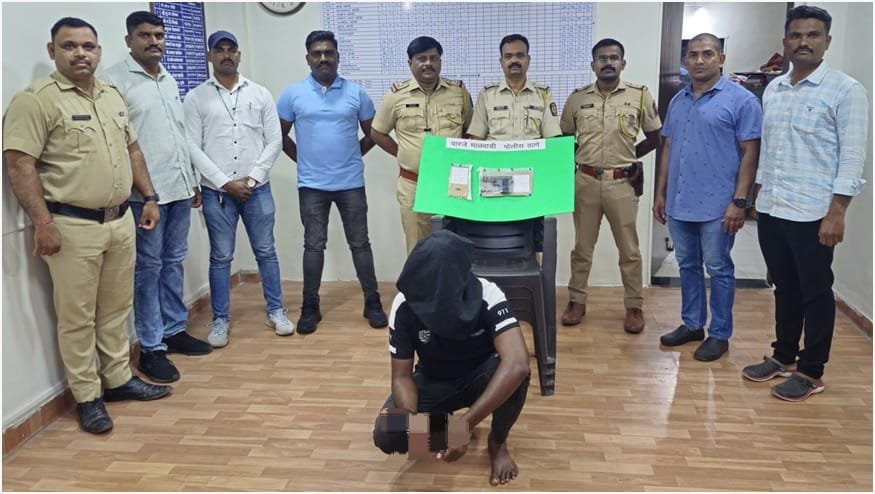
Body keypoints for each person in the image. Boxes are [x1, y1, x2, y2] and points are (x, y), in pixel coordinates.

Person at [3, 17, 172, 435]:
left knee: (115, 309)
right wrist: (42, 222)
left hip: (120, 220)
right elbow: (19, 164)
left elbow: (133, 150)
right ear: (52, 51)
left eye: (88, 46)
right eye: (70, 46)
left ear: (99, 51)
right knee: (77, 317)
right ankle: (87, 396)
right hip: (71, 226)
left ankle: (118, 379)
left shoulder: (111, 96)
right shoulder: (36, 101)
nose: (80, 53)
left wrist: (149, 197)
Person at [742, 6, 868, 401]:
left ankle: (811, 371)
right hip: (774, 207)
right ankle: (783, 355)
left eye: (813, 35)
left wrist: (838, 211)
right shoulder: (775, 89)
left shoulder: (846, 90)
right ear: (785, 41)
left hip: (814, 212)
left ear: (827, 41)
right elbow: (770, 150)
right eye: (796, 35)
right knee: (784, 287)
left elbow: (852, 157)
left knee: (815, 291)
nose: (803, 42)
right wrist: (757, 196)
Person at [372, 231, 530, 486]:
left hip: (481, 378)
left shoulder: (488, 294)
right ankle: (446, 428)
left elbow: (517, 363)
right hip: (434, 379)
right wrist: (412, 421)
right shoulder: (405, 302)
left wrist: (465, 425)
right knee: (387, 433)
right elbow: (401, 376)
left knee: (517, 375)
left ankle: (497, 442)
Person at [102, 11, 210, 383]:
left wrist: (192, 180)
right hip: (144, 196)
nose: (154, 42)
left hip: (178, 188)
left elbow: (177, 135)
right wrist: (146, 193)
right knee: (148, 269)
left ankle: (173, 329)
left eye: (159, 35)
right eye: (145, 35)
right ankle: (150, 347)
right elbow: (121, 144)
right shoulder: (114, 82)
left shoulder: (167, 78)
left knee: (173, 261)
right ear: (128, 40)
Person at [653, 33, 763, 361]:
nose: (699, 60)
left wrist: (740, 202)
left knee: (718, 268)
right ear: (685, 61)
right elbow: (668, 147)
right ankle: (692, 324)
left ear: (721, 59)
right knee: (687, 265)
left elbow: (751, 153)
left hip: (719, 205)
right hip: (679, 201)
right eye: (693, 54)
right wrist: (660, 193)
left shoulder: (742, 101)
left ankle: (719, 334)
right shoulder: (678, 100)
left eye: (708, 53)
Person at [183, 30, 294, 347]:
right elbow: (192, 146)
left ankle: (276, 310)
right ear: (209, 56)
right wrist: (225, 183)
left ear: (239, 55)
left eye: (231, 49)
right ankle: (220, 319)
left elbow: (274, 140)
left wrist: (253, 179)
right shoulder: (196, 98)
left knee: (266, 251)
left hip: (257, 189)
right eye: (219, 50)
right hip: (218, 193)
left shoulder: (259, 94)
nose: (226, 55)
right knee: (221, 257)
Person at [276, 31, 387, 335]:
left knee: (360, 243)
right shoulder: (293, 94)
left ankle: (372, 302)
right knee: (313, 245)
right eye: (317, 53)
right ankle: (310, 307)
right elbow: (279, 135)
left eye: (329, 53)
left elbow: (374, 134)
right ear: (308, 58)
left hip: (350, 183)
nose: (323, 58)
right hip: (312, 185)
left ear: (338, 56)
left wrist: (353, 154)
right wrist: (303, 159)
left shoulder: (356, 93)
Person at [559, 38, 661, 333]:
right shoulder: (577, 99)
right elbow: (565, 139)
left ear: (623, 63)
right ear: (593, 65)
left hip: (622, 184)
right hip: (586, 182)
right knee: (582, 248)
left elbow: (655, 137)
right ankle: (576, 300)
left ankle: (634, 305)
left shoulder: (639, 96)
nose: (608, 63)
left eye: (614, 58)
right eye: (602, 58)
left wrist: (628, 159)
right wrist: (581, 160)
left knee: (629, 250)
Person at [371, 36, 473, 254]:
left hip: (452, 185)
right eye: (421, 58)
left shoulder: (459, 92)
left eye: (433, 58)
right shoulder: (396, 96)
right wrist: (402, 153)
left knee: (456, 247)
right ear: (410, 63)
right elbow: (377, 132)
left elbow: (469, 131)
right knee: (418, 249)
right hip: (413, 185)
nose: (428, 63)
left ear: (440, 61)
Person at [467, 34, 562, 141]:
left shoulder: (544, 94)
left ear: (528, 60)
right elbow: (476, 138)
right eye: (508, 56)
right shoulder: (486, 95)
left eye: (520, 55)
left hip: (533, 152)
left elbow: (552, 138)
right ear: (501, 62)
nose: (514, 60)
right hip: (496, 152)